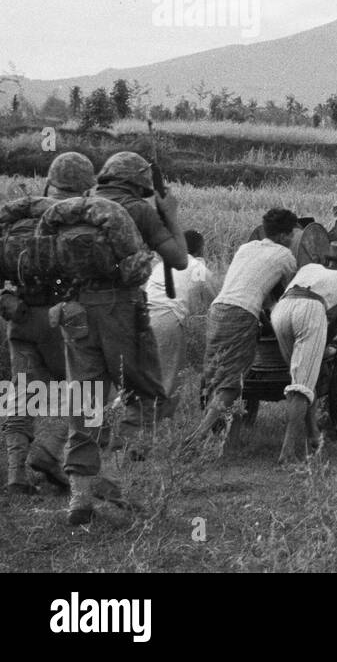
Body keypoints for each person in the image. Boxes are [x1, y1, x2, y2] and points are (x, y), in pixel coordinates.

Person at [64, 151, 188, 525]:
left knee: (86, 399)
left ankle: (80, 498)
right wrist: (171, 215)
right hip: (122, 309)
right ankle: (120, 478)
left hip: (77, 310)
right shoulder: (138, 209)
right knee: (145, 394)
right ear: (140, 182)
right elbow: (179, 259)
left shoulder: (81, 205)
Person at [1, 152, 95, 495]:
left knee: (21, 397)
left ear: (49, 182)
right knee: (83, 390)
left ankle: (16, 475)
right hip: (62, 320)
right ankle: (48, 452)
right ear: (86, 187)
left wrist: (5, 298)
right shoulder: (79, 219)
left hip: (20, 317)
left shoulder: (18, 219)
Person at [189, 209, 298, 442]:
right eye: (291, 234)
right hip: (242, 313)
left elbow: (251, 283)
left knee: (215, 371)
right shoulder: (286, 256)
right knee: (233, 382)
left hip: (217, 309)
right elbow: (289, 296)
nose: (293, 239)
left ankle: (219, 431)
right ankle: (200, 433)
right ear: (282, 236)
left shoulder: (246, 248)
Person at [269, 262, 337, 462]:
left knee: (303, 378)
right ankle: (288, 452)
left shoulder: (310, 269)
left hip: (281, 310)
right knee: (304, 386)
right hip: (309, 311)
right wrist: (323, 344)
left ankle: (313, 434)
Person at [145, 230, 215, 401]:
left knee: (144, 374)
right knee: (169, 379)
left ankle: (119, 411)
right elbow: (214, 303)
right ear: (200, 250)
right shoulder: (198, 268)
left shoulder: (163, 264)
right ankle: (157, 415)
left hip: (142, 315)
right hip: (166, 317)